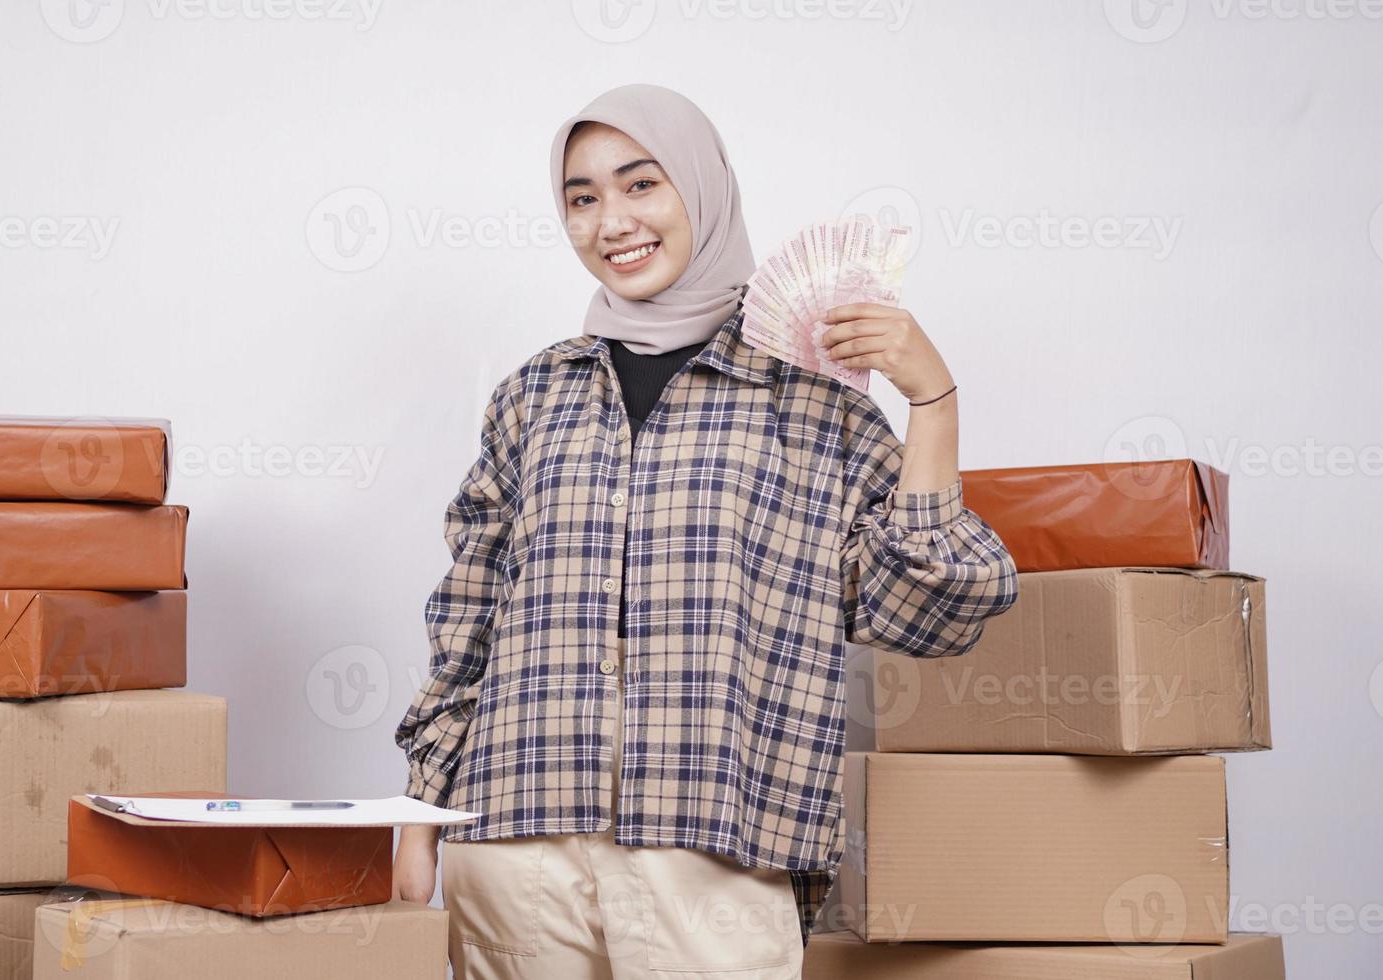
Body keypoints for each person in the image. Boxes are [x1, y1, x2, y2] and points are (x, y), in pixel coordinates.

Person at [393, 82, 1019, 979]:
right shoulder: (535, 395)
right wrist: (422, 812)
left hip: (715, 849)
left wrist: (932, 399)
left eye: (641, 184)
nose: (612, 221)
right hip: (514, 842)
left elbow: (938, 609)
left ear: (702, 186)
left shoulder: (809, 401)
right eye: (583, 197)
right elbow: (468, 617)